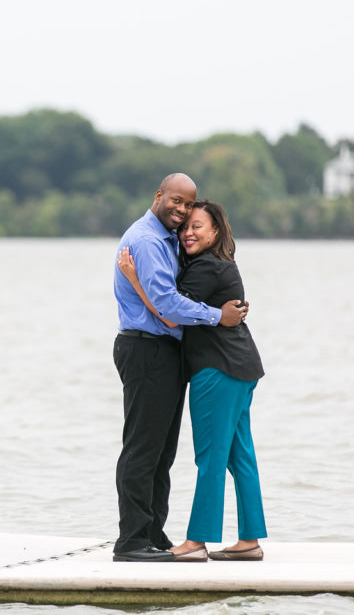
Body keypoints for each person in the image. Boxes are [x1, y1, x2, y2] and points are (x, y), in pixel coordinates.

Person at [118, 199, 267, 562]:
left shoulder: (204, 268)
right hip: (240, 367)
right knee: (239, 456)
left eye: (197, 226)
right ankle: (249, 541)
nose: (188, 232)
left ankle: (197, 540)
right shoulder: (218, 264)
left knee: (210, 458)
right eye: (185, 227)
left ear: (215, 231)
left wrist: (134, 278)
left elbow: (170, 316)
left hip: (217, 370)